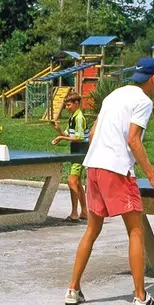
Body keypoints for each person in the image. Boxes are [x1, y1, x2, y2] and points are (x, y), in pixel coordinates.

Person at [64, 57, 154, 305]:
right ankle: (141, 299)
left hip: (94, 168)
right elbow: (133, 140)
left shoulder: (113, 95)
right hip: (116, 170)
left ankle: (73, 289)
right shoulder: (144, 102)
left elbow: (93, 134)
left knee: (92, 229)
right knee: (136, 230)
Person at [50, 92, 88, 222]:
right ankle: (84, 212)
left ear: (77, 103)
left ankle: (74, 213)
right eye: (66, 105)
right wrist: (58, 131)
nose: (67, 107)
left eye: (69, 104)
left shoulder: (79, 118)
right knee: (77, 182)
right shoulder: (73, 116)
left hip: (81, 152)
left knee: (71, 181)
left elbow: (79, 137)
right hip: (76, 151)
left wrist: (61, 137)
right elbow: (68, 134)